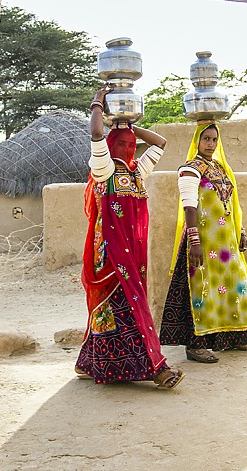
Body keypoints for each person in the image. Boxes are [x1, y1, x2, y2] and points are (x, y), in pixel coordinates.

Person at [75, 84, 185, 389]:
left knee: (126, 308)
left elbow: (160, 142)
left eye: (130, 144)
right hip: (109, 255)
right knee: (120, 308)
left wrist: (128, 124)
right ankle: (156, 368)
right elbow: (97, 135)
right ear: (111, 146)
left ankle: (90, 362)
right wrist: (98, 104)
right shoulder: (104, 170)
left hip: (133, 257)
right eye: (121, 143)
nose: (128, 148)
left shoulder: (138, 173)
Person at [159, 121, 247, 363]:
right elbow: (189, 207)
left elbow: (231, 204)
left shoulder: (221, 169)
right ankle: (194, 345)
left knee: (234, 287)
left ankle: (235, 337)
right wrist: (194, 241)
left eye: (214, 139)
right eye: (206, 139)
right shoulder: (190, 170)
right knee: (201, 291)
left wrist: (240, 230)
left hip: (226, 244)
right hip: (203, 242)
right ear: (196, 141)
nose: (211, 144)